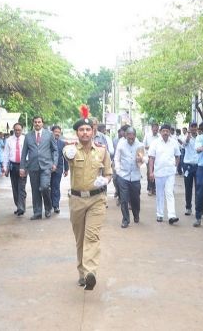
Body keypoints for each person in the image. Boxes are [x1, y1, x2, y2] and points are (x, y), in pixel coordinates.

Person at [63, 115, 112, 290]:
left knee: (92, 236)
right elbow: (67, 155)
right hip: (77, 200)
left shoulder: (102, 150)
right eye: (81, 130)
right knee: (80, 239)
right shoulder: (71, 150)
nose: (85, 132)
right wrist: (68, 153)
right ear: (77, 133)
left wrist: (105, 181)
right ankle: (82, 273)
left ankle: (91, 272)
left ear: (93, 131)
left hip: (96, 200)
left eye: (88, 129)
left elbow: (108, 173)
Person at [20, 116, 58, 220]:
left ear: (42, 123)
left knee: (44, 187)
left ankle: (48, 208)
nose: (37, 124)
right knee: (35, 190)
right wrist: (22, 167)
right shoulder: (28, 136)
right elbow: (24, 153)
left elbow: (55, 150)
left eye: (39, 122)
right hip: (33, 166)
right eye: (35, 122)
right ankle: (37, 212)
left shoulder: (49, 135)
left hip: (46, 165)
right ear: (33, 123)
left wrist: (54, 163)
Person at [148, 124, 181, 224]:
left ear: (170, 132)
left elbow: (178, 156)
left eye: (167, 131)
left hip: (170, 172)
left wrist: (175, 167)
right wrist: (151, 172)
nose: (166, 133)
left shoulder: (174, 143)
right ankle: (160, 214)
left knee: (169, 193)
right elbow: (151, 158)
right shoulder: (155, 143)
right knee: (160, 194)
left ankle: (172, 215)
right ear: (160, 132)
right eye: (164, 131)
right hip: (159, 173)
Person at [114, 127, 145, 228]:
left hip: (135, 177)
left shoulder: (140, 145)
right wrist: (118, 171)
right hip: (123, 176)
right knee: (124, 199)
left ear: (135, 136)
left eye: (133, 137)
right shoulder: (121, 144)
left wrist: (142, 158)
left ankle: (136, 214)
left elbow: (146, 159)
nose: (131, 139)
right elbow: (117, 159)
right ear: (126, 136)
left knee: (135, 199)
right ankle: (126, 220)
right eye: (129, 137)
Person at [2, 123, 27, 216]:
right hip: (13, 166)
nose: (17, 131)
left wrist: (26, 166)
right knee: (15, 187)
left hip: (23, 165)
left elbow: (28, 153)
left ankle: (21, 207)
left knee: (21, 187)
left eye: (19, 130)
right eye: (16, 130)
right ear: (13, 129)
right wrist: (5, 167)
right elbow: (6, 154)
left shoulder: (25, 139)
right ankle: (18, 206)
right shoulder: (9, 140)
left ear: (22, 130)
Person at [50, 125, 69, 213]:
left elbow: (65, 157)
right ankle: (49, 205)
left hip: (59, 168)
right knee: (48, 186)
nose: (57, 134)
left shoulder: (62, 143)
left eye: (58, 132)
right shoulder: (47, 142)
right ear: (52, 132)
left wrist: (66, 169)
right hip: (48, 168)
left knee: (56, 186)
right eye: (55, 132)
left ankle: (56, 205)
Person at [183, 122, 199, 216]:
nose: (193, 128)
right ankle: (188, 207)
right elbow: (184, 144)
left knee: (199, 188)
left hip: (198, 166)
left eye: (194, 127)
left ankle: (198, 208)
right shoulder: (185, 136)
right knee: (188, 187)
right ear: (189, 128)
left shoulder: (200, 137)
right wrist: (188, 136)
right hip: (188, 165)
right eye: (191, 127)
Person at [144, 122, 159, 196]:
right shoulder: (147, 136)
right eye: (154, 130)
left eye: (157, 130)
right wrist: (151, 148)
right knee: (149, 173)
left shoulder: (159, 137)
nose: (155, 131)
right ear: (152, 129)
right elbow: (144, 146)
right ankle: (150, 188)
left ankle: (154, 189)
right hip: (149, 157)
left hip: (157, 158)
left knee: (156, 173)